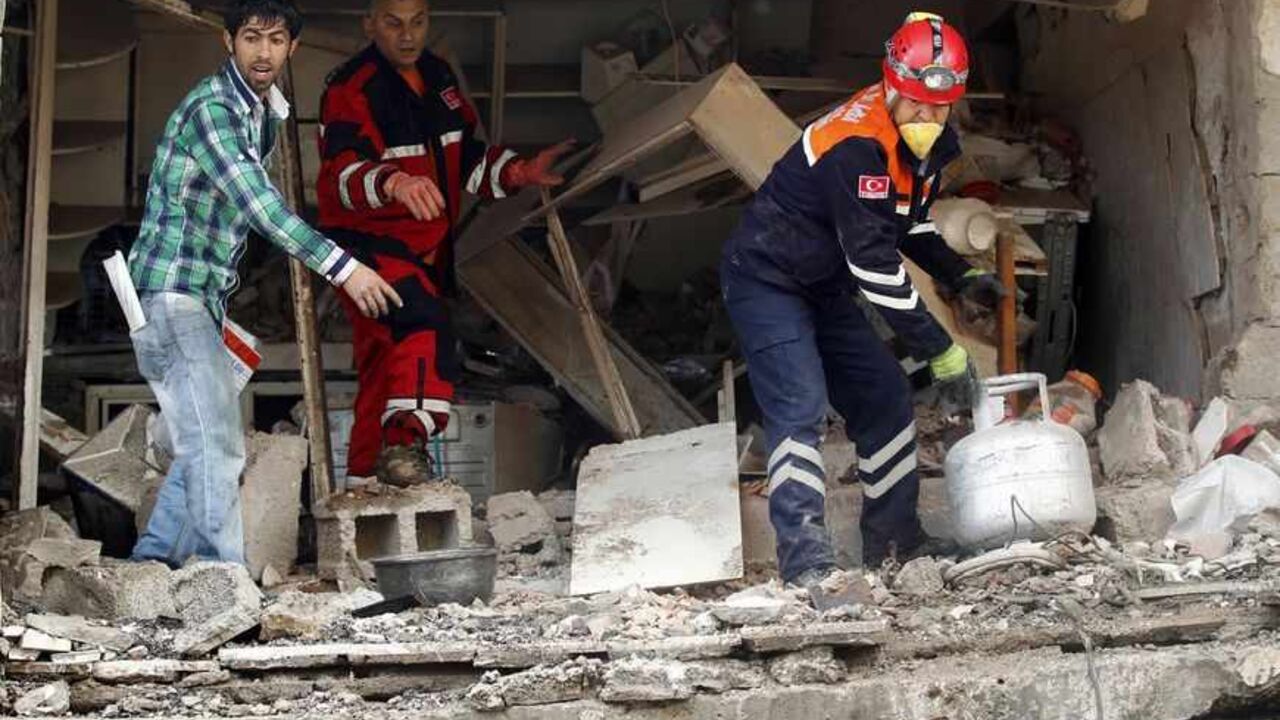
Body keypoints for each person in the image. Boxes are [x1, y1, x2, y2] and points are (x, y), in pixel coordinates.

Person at [721, 12, 1006, 585]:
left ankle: (895, 543)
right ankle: (807, 564)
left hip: (823, 287)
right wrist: (941, 351)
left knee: (884, 398)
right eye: (917, 105)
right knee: (800, 407)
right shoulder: (856, 146)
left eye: (939, 107)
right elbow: (875, 269)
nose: (927, 118)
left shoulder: (929, 143)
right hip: (766, 280)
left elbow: (912, 224)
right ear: (892, 87)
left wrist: (959, 277)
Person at [128, 0, 402, 567]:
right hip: (171, 294)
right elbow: (262, 208)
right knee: (219, 446)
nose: (263, 51)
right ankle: (221, 581)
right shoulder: (214, 109)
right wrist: (345, 268)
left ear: (291, 49)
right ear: (229, 41)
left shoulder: (259, 111)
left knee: (197, 444)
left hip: (198, 299)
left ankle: (151, 568)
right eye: (252, 37)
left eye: (276, 40)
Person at [316, 0, 571, 487]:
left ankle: (363, 482)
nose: (407, 35)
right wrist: (393, 183)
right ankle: (407, 445)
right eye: (393, 23)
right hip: (370, 246)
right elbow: (340, 176)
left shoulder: (438, 78)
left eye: (418, 22)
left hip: (427, 250)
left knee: (383, 366)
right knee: (425, 326)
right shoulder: (352, 88)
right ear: (370, 24)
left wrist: (519, 172)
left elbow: (467, 159)